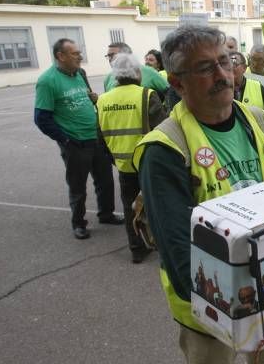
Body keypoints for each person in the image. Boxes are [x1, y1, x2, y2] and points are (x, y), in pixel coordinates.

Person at [133, 25, 264, 364]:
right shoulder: (165, 148)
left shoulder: (263, 123)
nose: (222, 75)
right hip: (205, 309)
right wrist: (232, 302)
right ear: (177, 82)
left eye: (225, 61)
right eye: (205, 68)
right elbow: (179, 255)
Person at [34, 39, 122, 240]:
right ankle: (78, 223)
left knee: (105, 180)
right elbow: (41, 119)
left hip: (95, 138)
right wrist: (65, 140)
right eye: (74, 53)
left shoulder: (80, 74)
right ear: (60, 56)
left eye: (79, 52)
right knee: (77, 186)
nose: (80, 56)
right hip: (75, 143)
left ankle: (106, 214)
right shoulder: (47, 81)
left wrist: (93, 98)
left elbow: (88, 97)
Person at [97, 53, 166, 263]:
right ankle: (161, 245)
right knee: (156, 204)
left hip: (123, 164)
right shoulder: (146, 95)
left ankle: (136, 248)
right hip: (147, 163)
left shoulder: (103, 100)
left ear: (115, 76)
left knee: (130, 207)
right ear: (137, 73)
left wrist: (113, 158)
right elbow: (163, 130)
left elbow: (99, 135)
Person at [103, 42, 170, 100]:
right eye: (108, 56)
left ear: (127, 54)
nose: (110, 59)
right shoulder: (108, 78)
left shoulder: (150, 72)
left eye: (112, 55)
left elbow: (170, 92)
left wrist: (165, 110)